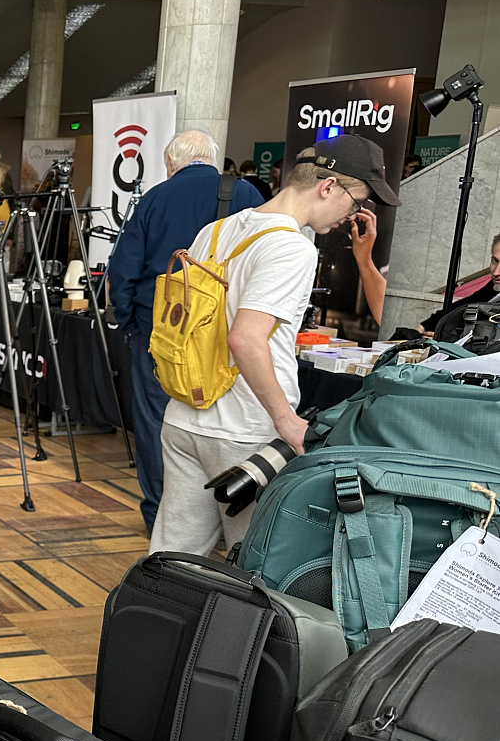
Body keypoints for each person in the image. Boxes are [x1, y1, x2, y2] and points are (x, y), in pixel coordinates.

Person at [150, 135, 400, 555]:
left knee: (173, 556)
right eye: (357, 202)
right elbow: (245, 337)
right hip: (246, 430)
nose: (353, 215)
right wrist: (286, 421)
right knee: (255, 564)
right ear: (328, 187)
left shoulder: (216, 231)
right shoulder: (291, 247)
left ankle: (149, 619)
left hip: (186, 416)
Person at [106, 130, 263, 533]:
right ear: (212, 159)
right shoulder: (247, 196)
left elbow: (124, 268)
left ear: (171, 164)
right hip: (228, 335)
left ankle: (161, 514)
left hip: (162, 332)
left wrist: (127, 320)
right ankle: (228, 521)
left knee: (157, 424)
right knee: (225, 424)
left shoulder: (154, 199)